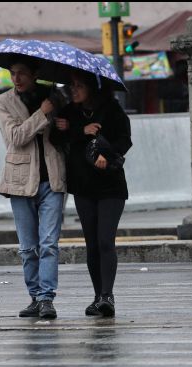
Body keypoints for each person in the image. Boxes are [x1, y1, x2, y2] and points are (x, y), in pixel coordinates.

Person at [52, 71, 132, 317]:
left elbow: (124, 141)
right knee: (92, 245)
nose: (73, 90)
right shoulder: (69, 112)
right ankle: (98, 296)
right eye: (72, 85)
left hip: (110, 186)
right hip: (83, 186)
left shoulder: (112, 110)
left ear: (93, 88)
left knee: (105, 241)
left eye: (79, 86)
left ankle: (108, 295)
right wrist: (80, 129)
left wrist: (104, 155)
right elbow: (56, 138)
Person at [0, 55, 67, 320]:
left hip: (53, 179)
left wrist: (62, 125)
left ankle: (47, 298)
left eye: (22, 73)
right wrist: (42, 114)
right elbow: (15, 138)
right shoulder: (3, 102)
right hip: (20, 180)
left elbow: (63, 138)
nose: (17, 79)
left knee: (49, 243)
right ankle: (35, 297)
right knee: (28, 246)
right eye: (13, 73)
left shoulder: (55, 96)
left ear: (35, 74)